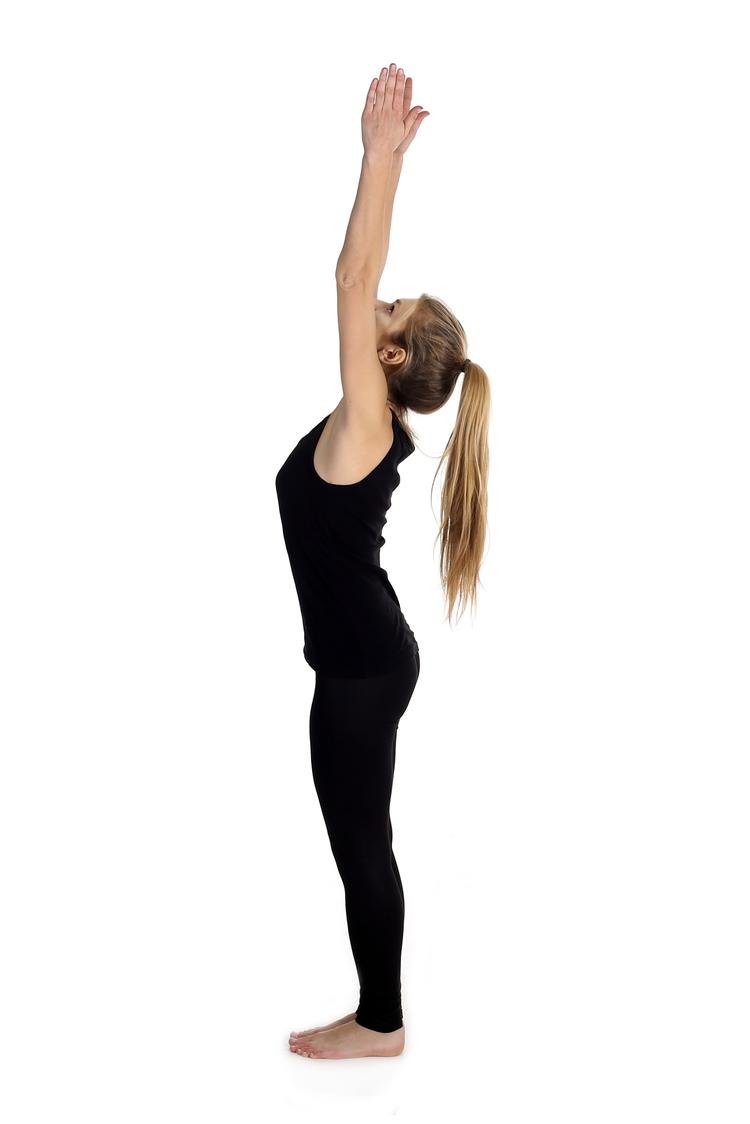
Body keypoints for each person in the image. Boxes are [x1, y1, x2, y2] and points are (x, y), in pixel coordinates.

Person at [275, 63, 490, 1060]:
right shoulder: (369, 417)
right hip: (367, 652)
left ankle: (381, 1022)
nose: (377, 308)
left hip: (361, 667)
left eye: (391, 316)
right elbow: (360, 286)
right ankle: (379, 1013)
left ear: (392, 359)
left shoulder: (368, 420)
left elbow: (350, 277)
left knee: (361, 839)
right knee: (361, 833)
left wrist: (379, 160)